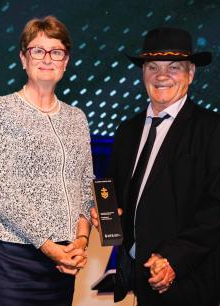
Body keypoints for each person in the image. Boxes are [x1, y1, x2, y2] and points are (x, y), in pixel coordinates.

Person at [91, 27, 220, 306]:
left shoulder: (212, 130)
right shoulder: (127, 130)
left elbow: (216, 209)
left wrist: (173, 258)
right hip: (139, 277)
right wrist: (107, 216)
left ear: (191, 73)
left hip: (189, 280)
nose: (162, 76)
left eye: (174, 67)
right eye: (153, 66)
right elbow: (114, 192)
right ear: (143, 73)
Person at [0, 15, 94, 306]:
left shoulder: (77, 118)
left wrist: (80, 241)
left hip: (61, 265)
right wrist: (47, 245)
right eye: (37, 50)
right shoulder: (3, 110)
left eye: (57, 52)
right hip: (10, 261)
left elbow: (85, 188)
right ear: (23, 59)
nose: (47, 59)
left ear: (66, 61)